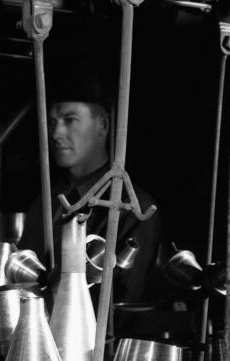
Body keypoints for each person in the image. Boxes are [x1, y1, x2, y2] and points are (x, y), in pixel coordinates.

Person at [19, 75, 167, 338]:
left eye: (70, 120)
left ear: (103, 125)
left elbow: (123, 307)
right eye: (52, 121)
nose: (55, 133)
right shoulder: (44, 202)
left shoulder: (133, 207)